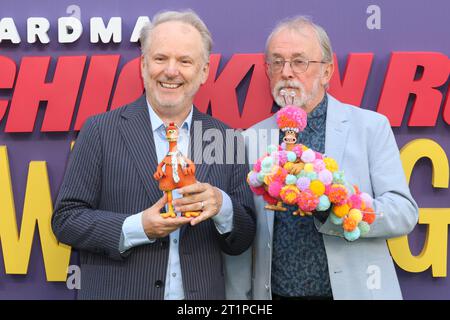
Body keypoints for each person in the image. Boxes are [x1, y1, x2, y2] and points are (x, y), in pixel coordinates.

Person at [52, 10, 256, 300]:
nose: (171, 71)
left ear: (204, 71)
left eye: (185, 61)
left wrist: (222, 206)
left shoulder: (226, 138)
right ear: (144, 64)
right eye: (161, 59)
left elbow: (243, 239)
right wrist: (138, 227)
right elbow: (66, 220)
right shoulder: (99, 130)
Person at [239, 16, 418, 300]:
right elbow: (245, 234)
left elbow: (403, 213)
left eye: (299, 61)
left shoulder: (370, 127)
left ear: (326, 71)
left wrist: (340, 208)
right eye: (277, 62)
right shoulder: (249, 140)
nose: (286, 72)